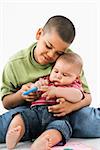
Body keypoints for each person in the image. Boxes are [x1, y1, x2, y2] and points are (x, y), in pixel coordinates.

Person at [0, 15, 95, 144]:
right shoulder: (15, 64)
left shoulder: (69, 60)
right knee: (12, 120)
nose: (51, 55)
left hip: (64, 112)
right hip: (29, 110)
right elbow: (6, 103)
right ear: (39, 34)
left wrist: (71, 107)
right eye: (48, 46)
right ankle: (20, 133)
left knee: (87, 119)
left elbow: (86, 97)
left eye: (58, 53)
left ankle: (47, 136)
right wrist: (21, 95)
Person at [6, 52, 84, 150]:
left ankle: (45, 140)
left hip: (57, 117)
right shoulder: (46, 80)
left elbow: (78, 96)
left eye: (65, 75)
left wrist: (57, 91)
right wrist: (36, 87)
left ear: (76, 78)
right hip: (35, 113)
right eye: (56, 71)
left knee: (60, 128)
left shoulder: (74, 85)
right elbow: (36, 87)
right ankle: (13, 135)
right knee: (20, 117)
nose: (58, 76)